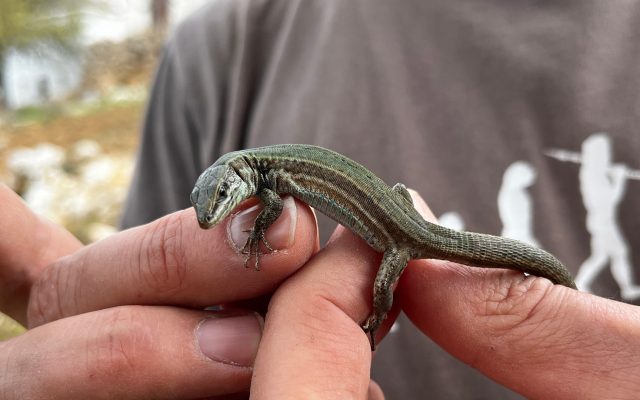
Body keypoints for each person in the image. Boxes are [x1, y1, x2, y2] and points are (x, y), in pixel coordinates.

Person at [2, 1, 640, 398]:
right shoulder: (229, 50)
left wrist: (265, 241)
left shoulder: (271, 178)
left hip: (401, 237)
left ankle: (374, 316)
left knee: (387, 285)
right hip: (390, 211)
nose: (216, 216)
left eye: (225, 199)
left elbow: (275, 212)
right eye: (219, 201)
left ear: (244, 179)